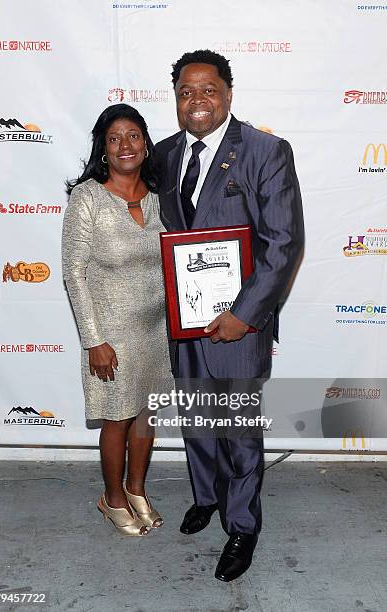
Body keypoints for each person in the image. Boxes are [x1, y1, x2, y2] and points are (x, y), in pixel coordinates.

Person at [155, 50, 304, 580]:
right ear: (176, 98)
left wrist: (245, 314)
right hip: (185, 321)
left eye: (208, 89)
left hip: (239, 325)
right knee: (197, 419)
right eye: (186, 92)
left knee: (238, 428)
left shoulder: (266, 151)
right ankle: (208, 497)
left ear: (229, 93)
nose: (198, 101)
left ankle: (242, 526)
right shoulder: (165, 154)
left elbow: (284, 243)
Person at [62, 104, 172, 536]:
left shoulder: (162, 197)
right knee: (117, 418)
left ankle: (137, 489)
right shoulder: (87, 197)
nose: (125, 145)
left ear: (146, 144)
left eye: (133, 135)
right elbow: (73, 271)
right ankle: (111, 499)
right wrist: (94, 340)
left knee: (147, 416)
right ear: (103, 149)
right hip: (111, 333)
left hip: (158, 332)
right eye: (114, 138)